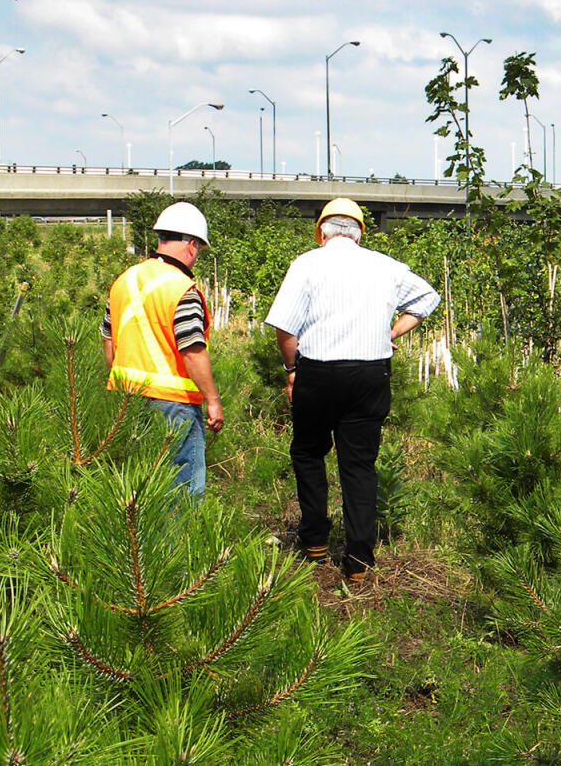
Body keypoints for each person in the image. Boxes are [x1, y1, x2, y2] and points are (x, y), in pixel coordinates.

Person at [265, 198, 438, 583]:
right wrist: (390, 331)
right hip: (370, 374)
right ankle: (359, 560)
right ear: (360, 232)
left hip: (318, 372)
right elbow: (428, 297)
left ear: (322, 231)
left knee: (309, 453)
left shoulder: (306, 264)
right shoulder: (385, 265)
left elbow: (284, 327)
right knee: (359, 466)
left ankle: (314, 542)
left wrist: (292, 370)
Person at [102, 201, 224, 494]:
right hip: (173, 404)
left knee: (140, 492)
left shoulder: (124, 281)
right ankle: (180, 543)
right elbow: (192, 349)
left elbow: (109, 341)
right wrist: (212, 400)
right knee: (183, 494)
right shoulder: (182, 289)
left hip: (126, 401)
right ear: (192, 245)